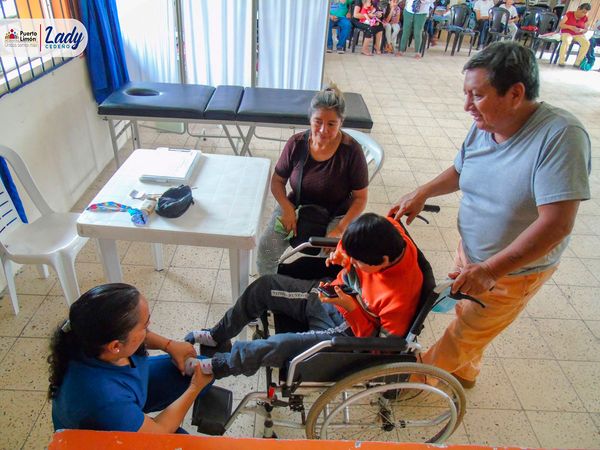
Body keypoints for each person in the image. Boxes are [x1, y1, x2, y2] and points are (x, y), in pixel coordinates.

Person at [389, 42, 591, 389]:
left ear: (515, 94)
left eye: (477, 95)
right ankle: (466, 371)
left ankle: (411, 382)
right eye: (466, 94)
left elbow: (557, 224)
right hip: (472, 251)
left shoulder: (561, 137)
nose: (467, 106)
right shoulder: (486, 123)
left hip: (511, 271)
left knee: (463, 335)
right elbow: (461, 169)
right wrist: (423, 192)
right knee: (466, 314)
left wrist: (491, 270)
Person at [185, 213, 424, 379]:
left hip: (345, 331)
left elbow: (381, 349)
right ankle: (217, 336)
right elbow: (351, 240)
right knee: (265, 286)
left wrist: (351, 308)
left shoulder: (400, 298)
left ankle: (220, 366)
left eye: (358, 262)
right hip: (328, 293)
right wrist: (341, 253)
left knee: (280, 344)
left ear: (383, 261)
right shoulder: (387, 230)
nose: (354, 264)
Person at [49, 283, 214, 433]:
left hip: (123, 398)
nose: (148, 327)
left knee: (196, 372)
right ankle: (134, 420)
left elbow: (142, 335)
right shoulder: (104, 398)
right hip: (109, 432)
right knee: (187, 443)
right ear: (116, 346)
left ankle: (134, 415)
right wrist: (195, 387)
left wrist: (169, 345)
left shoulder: (91, 337)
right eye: (145, 325)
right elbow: (159, 432)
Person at [256, 84, 368, 276]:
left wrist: (341, 228)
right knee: (265, 250)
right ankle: (270, 288)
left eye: (331, 124)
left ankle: (317, 293)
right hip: (296, 205)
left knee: (329, 261)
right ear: (310, 119)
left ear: (341, 122)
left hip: (337, 214)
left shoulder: (352, 151)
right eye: (318, 122)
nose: (323, 130)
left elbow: (360, 198)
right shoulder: (296, 144)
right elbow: (277, 181)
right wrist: (287, 208)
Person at [557, 3, 591, 67]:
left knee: (586, 43)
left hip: (578, 34)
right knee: (567, 40)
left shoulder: (585, 18)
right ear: (578, 8)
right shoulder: (569, 14)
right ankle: (561, 61)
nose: (583, 14)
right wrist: (570, 27)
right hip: (567, 32)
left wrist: (581, 30)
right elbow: (561, 25)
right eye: (583, 12)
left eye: (585, 13)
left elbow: (586, 29)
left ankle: (577, 63)